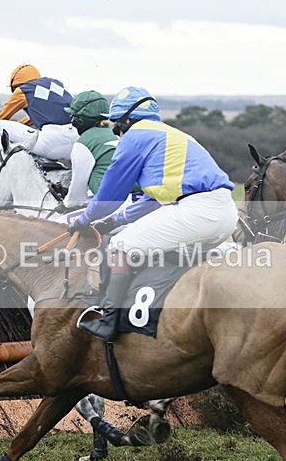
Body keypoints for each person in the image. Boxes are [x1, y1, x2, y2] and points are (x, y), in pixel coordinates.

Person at [68, 86, 238, 342]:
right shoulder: (170, 135)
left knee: (120, 245)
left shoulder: (135, 138)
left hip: (196, 211)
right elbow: (152, 201)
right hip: (225, 212)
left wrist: (83, 219)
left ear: (126, 120)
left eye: (117, 127)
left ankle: (109, 319)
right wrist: (113, 221)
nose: (118, 133)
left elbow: (108, 199)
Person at [57, 90, 128, 211]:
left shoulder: (83, 143)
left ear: (80, 120)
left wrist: (65, 205)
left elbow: (77, 195)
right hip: (136, 198)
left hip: (112, 203)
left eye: (73, 117)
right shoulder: (115, 134)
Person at [0, 64, 78, 161]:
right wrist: (19, 124)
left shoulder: (22, 91)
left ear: (16, 84)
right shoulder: (56, 83)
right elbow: (42, 116)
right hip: (76, 141)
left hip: (52, 143)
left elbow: (1, 117)